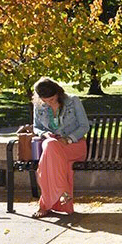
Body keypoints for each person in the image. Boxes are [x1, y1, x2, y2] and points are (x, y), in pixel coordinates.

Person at [31, 77, 89, 218]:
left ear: (58, 93)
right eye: (45, 100)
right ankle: (62, 193)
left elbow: (84, 126)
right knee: (50, 146)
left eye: (51, 99)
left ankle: (45, 205)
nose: (48, 103)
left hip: (73, 145)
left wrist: (68, 139)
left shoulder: (73, 101)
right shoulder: (38, 105)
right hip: (52, 144)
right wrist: (45, 133)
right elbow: (36, 127)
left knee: (47, 161)